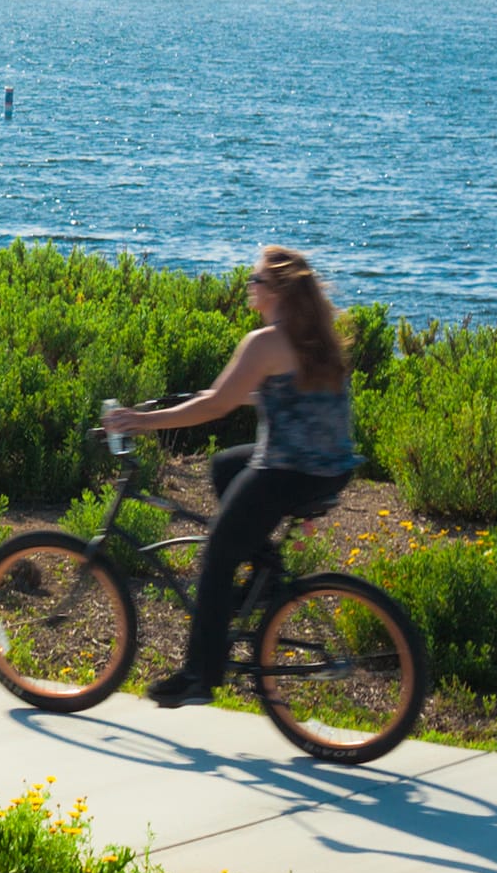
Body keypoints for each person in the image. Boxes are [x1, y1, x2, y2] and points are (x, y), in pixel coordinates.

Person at [109, 244, 359, 707]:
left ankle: (198, 676)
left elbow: (215, 407)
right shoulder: (313, 336)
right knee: (224, 466)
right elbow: (283, 394)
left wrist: (141, 422)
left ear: (275, 291)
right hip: (330, 469)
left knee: (218, 555)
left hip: (288, 469)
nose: (250, 287)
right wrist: (231, 392)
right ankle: (263, 574)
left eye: (256, 281)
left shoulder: (264, 342)